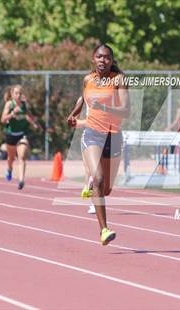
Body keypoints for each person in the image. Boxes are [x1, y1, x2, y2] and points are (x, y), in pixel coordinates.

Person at [68, 43, 130, 246]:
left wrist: (103, 105)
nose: (103, 60)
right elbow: (82, 97)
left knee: (107, 189)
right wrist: (74, 114)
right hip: (92, 134)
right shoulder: (88, 79)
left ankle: (96, 191)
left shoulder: (118, 79)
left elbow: (126, 111)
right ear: (93, 59)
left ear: (112, 61)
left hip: (113, 136)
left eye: (107, 58)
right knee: (98, 178)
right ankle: (104, 229)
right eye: (99, 57)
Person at [1, 85, 39, 189]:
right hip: (11, 135)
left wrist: (34, 124)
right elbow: (3, 120)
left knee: (22, 157)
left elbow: (27, 115)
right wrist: (12, 113)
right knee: (11, 158)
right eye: (16, 93)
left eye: (20, 93)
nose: (18, 95)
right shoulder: (9, 104)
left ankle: (21, 180)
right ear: (12, 95)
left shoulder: (24, 105)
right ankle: (9, 169)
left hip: (22, 134)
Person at [67, 96, 95, 214]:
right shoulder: (82, 99)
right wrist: (75, 121)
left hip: (105, 134)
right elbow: (75, 122)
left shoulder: (106, 95)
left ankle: (89, 185)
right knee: (89, 169)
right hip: (90, 135)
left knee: (95, 171)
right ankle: (94, 203)